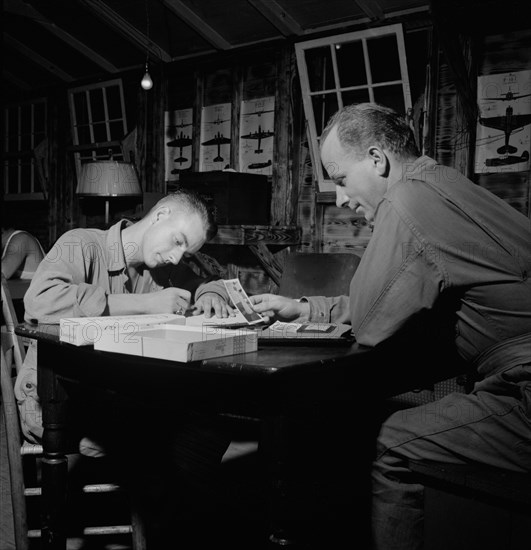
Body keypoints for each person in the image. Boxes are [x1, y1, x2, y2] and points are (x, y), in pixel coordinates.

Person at [250, 103, 531, 549]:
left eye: (341, 179)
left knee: (393, 442)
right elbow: (397, 299)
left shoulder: (406, 200)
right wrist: (307, 309)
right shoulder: (442, 183)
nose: (341, 198)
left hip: (524, 392)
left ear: (378, 160)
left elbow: (368, 322)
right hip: (511, 375)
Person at [15, 189, 236, 545]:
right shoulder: (82, 244)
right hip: (56, 399)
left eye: (187, 252)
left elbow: (207, 283)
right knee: (177, 440)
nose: (177, 256)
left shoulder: (161, 269)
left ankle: (170, 527)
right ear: (161, 214)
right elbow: (40, 301)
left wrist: (212, 294)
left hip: (114, 398)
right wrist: (144, 304)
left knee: (210, 425)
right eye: (178, 241)